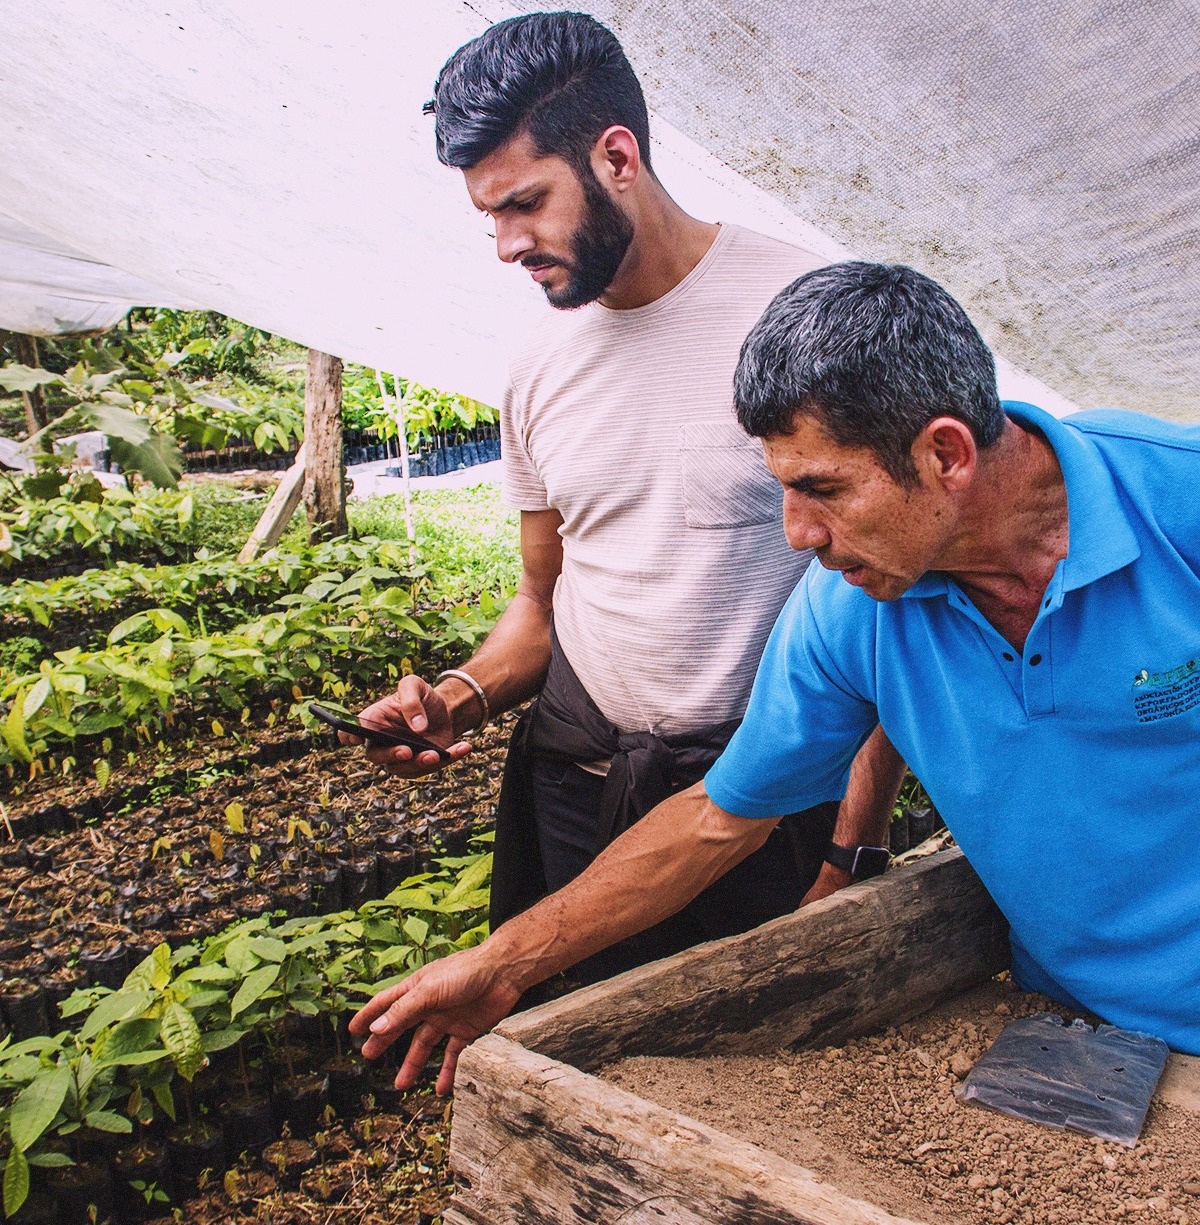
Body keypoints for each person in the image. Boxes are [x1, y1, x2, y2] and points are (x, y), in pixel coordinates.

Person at [350, 260, 1200, 1092]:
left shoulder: (1177, 500)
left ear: (945, 454)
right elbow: (719, 818)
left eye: (821, 488)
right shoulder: (849, 608)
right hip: (1087, 1036)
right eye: (782, 490)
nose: (798, 533)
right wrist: (503, 963)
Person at [350, 11, 903, 982]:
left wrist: (852, 841)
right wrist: (457, 698)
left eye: (525, 202)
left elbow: (889, 609)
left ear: (616, 157)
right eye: (489, 216)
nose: (505, 245)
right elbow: (539, 605)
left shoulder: (807, 317)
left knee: (743, 1083)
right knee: (568, 1062)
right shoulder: (536, 363)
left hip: (760, 807)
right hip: (576, 784)